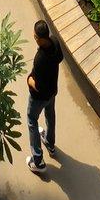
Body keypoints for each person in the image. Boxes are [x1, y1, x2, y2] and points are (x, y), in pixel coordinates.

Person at [26, 18, 64, 173]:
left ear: (40, 39)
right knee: (50, 115)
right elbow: (60, 58)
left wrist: (29, 80)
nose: (34, 38)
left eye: (35, 37)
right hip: (52, 91)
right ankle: (49, 142)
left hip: (39, 97)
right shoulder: (54, 41)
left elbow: (38, 88)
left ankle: (38, 160)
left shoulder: (40, 58)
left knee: (31, 120)